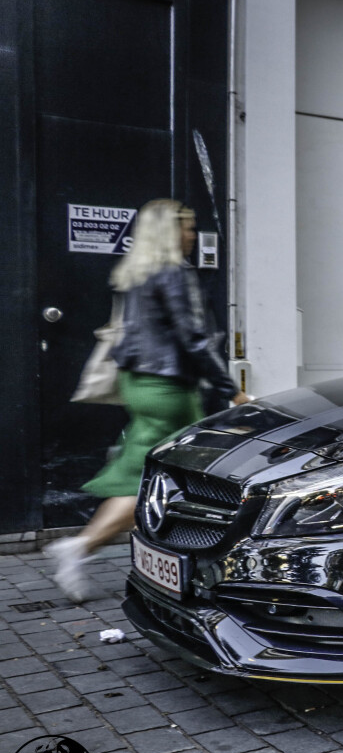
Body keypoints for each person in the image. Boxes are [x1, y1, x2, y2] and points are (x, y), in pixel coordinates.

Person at [44, 199, 249, 602]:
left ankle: (163, 551)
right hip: (167, 387)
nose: (192, 236)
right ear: (169, 232)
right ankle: (80, 548)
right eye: (187, 228)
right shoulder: (172, 271)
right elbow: (191, 338)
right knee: (151, 477)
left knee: (150, 468)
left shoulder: (136, 271)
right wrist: (231, 389)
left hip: (142, 381)